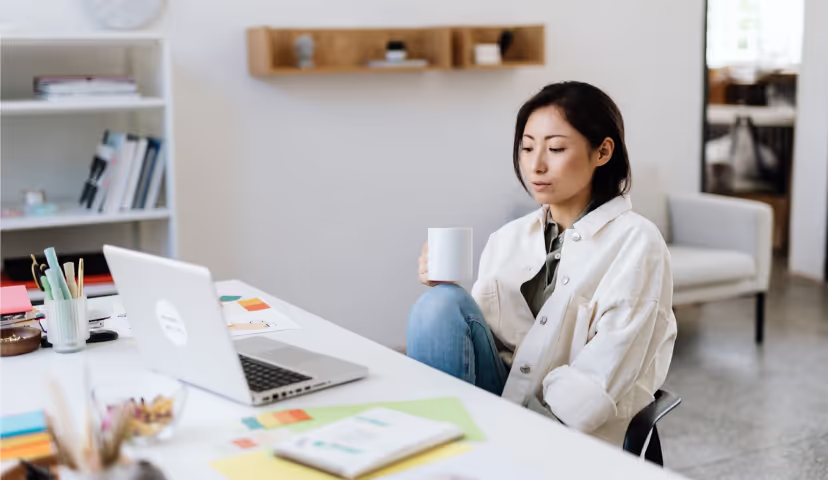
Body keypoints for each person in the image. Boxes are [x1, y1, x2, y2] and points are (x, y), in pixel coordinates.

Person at [407, 81, 677, 446]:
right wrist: (448, 306)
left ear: (602, 151)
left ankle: (455, 453)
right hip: (498, 406)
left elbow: (599, 379)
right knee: (438, 305)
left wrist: (519, 436)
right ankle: (436, 449)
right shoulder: (508, 238)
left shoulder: (637, 242)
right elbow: (484, 346)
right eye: (527, 147)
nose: (536, 165)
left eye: (556, 148)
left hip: (564, 434)